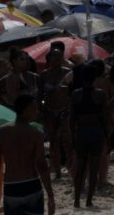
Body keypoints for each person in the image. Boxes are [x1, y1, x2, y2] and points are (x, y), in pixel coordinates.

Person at [0, 94, 55, 215]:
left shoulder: (1, 132)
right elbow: (41, 165)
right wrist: (50, 195)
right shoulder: (35, 133)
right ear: (26, 110)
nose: (37, 112)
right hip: (31, 185)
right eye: (34, 108)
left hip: (11, 186)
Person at [70, 64, 108, 208]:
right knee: (94, 168)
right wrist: (106, 136)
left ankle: (77, 199)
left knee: (80, 168)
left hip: (82, 132)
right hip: (96, 132)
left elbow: (72, 119)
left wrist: (73, 137)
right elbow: (105, 117)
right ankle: (89, 200)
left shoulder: (76, 94)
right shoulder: (101, 94)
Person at [38, 48, 72, 180]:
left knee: (67, 141)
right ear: (49, 59)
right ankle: (57, 171)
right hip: (49, 110)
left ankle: (70, 169)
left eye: (59, 57)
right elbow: (40, 94)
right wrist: (40, 108)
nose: (57, 59)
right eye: (54, 57)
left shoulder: (68, 72)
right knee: (53, 142)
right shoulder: (44, 75)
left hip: (64, 109)